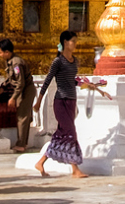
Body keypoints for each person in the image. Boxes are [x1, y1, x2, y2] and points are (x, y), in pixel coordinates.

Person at [33, 29, 106, 179]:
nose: (75, 44)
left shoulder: (75, 61)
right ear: (65, 43)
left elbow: (72, 80)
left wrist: (89, 86)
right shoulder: (58, 61)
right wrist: (39, 102)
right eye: (73, 41)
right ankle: (75, 169)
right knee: (71, 133)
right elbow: (47, 81)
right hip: (61, 101)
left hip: (71, 101)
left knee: (62, 134)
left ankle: (41, 162)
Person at [0, 39, 34, 153]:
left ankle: (21, 144)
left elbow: (20, 82)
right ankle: (24, 142)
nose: (0, 55)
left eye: (1, 52)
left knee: (22, 117)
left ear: (7, 52)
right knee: (23, 116)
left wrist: (13, 97)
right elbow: (11, 79)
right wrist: (2, 88)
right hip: (22, 90)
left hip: (26, 90)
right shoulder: (10, 61)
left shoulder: (16, 63)